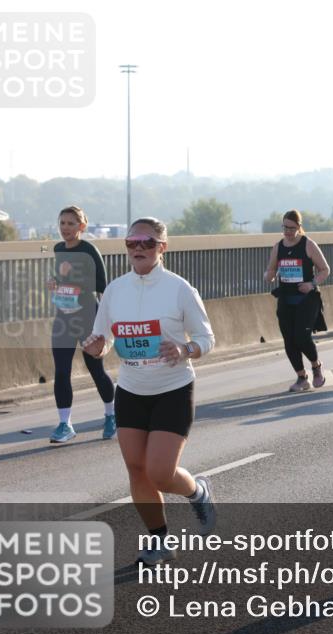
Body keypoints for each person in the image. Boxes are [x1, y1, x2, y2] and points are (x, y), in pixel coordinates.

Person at [83, 217, 217, 565]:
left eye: (147, 242)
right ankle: (159, 541)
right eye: (132, 242)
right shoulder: (115, 290)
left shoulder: (178, 288)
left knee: (159, 471)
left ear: (162, 247)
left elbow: (206, 338)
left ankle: (198, 491)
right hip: (130, 389)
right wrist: (97, 346)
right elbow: (105, 340)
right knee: (136, 468)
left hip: (172, 388)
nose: (138, 248)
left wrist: (184, 350)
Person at [47, 206, 117, 444]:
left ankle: (111, 415)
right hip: (63, 317)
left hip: (88, 317)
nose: (65, 228)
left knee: (96, 370)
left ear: (82, 227)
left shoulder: (89, 250)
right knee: (61, 371)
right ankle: (65, 424)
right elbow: (61, 277)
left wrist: (74, 281)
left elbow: (102, 284)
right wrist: (55, 282)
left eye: (71, 223)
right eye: (62, 223)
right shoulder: (58, 249)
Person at [264, 209, 332, 392]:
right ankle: (302, 378)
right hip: (286, 298)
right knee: (289, 340)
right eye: (284, 227)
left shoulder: (308, 245)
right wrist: (268, 276)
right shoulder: (278, 246)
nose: (287, 231)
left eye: (291, 228)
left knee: (302, 337)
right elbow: (271, 270)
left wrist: (311, 284)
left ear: (299, 227)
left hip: (306, 299)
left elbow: (325, 270)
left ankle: (316, 366)